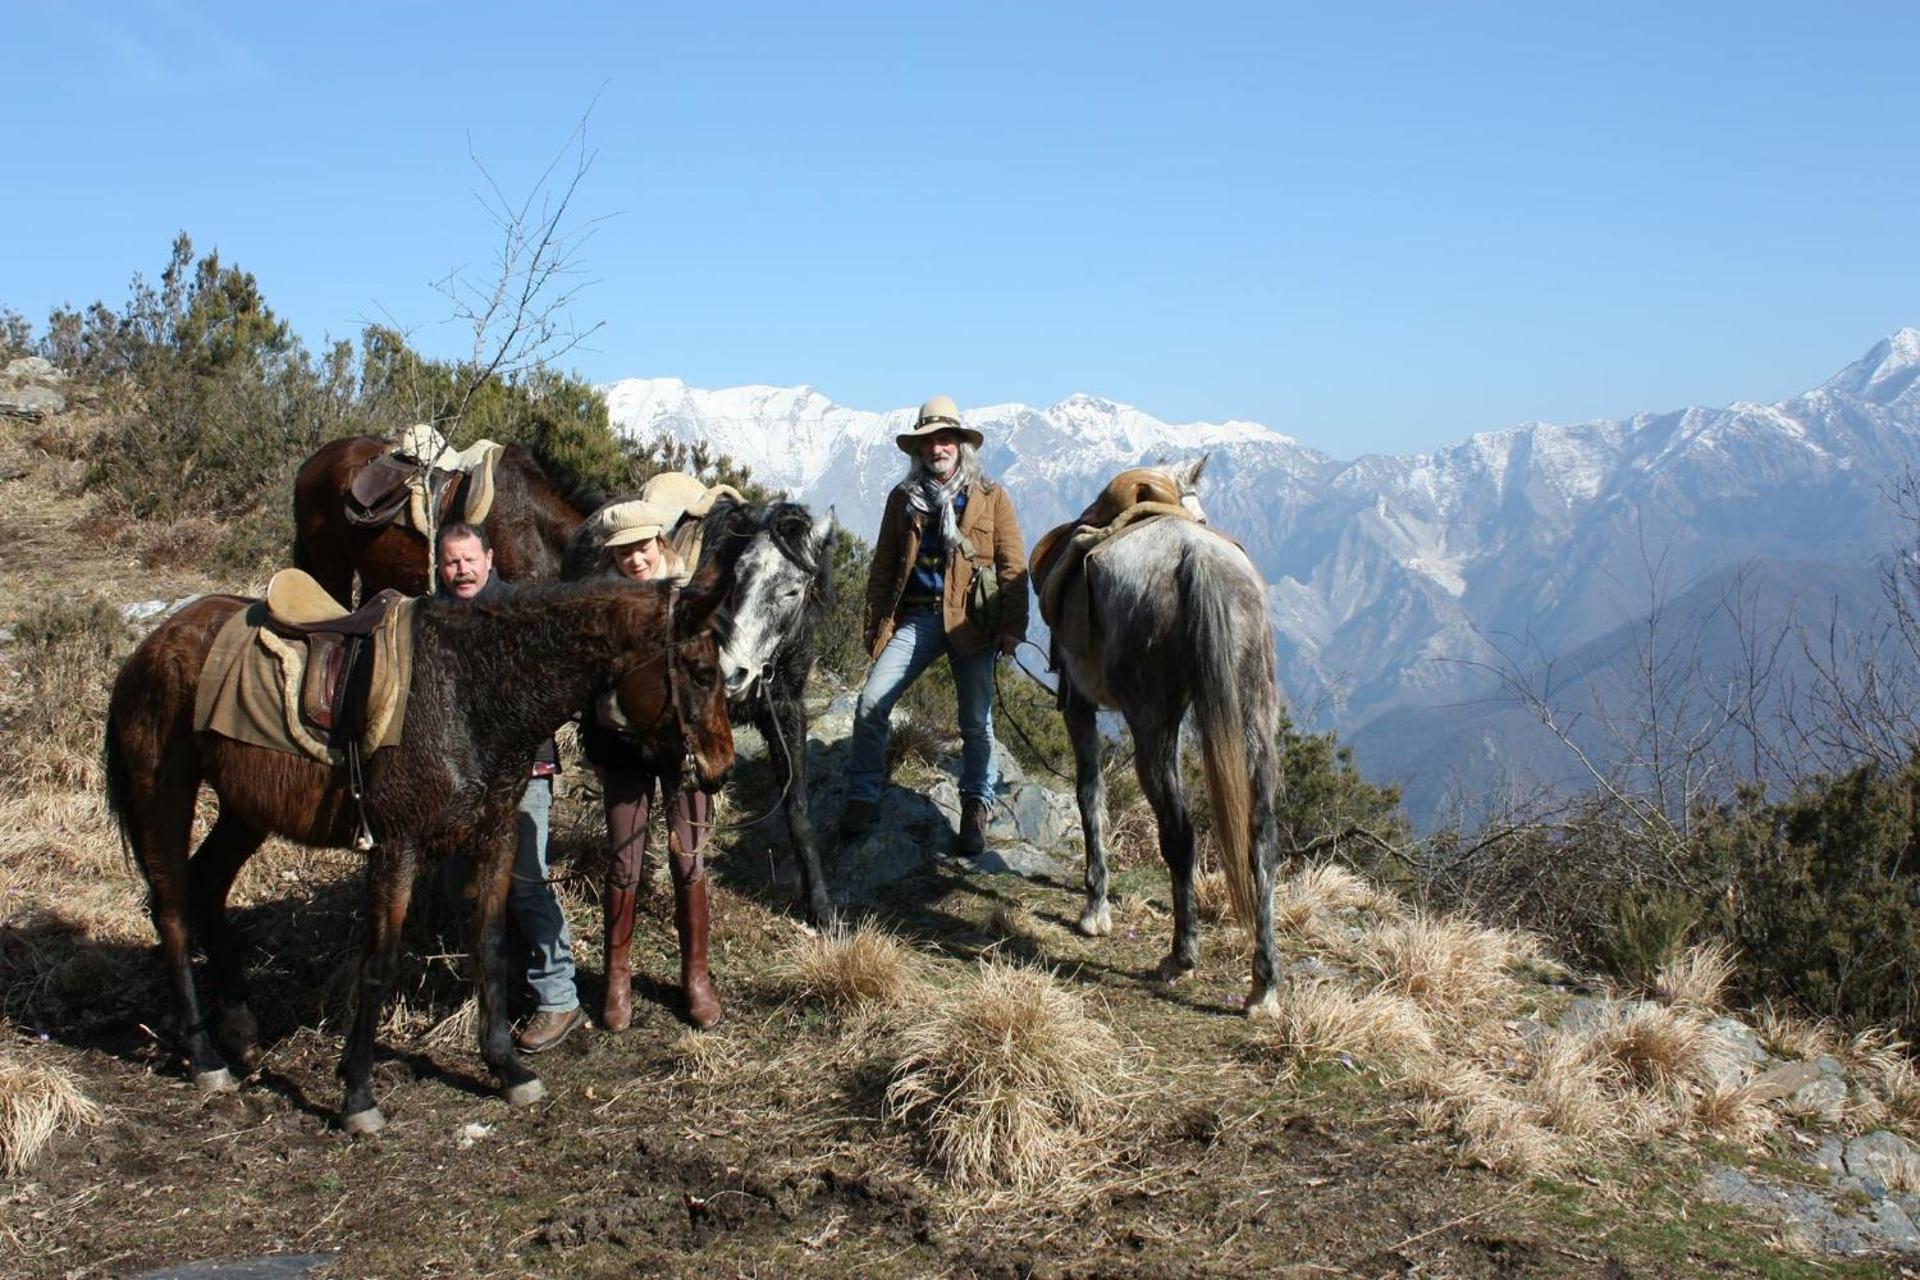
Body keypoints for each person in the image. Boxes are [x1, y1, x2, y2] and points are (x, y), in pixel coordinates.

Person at [843, 395, 1029, 856]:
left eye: (945, 439)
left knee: (976, 722)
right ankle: (863, 795)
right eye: (928, 441)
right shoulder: (903, 499)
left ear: (960, 446)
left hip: (972, 622)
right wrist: (875, 624)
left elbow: (1012, 565)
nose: (937, 448)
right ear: (918, 450)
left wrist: (1013, 626)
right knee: (870, 703)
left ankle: (975, 807)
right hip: (919, 618)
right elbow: (884, 565)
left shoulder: (990, 496)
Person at [435, 522, 587, 1053]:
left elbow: (551, 691)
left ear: (490, 557)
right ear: (439, 566)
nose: (462, 570)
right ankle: (499, 988)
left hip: (520, 774)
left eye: (470, 559)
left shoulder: (520, 614)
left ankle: (558, 997)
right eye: (451, 562)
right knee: (462, 883)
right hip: (453, 778)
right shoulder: (429, 618)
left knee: (525, 881)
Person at [582, 497, 723, 1031]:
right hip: (620, 744)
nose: (635, 561)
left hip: (681, 747)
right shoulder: (603, 604)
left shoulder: (692, 600)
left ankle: (696, 977)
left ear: (659, 542)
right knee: (624, 861)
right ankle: (617, 979)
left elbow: (712, 677)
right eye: (623, 554)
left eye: (641, 548)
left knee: (690, 858)